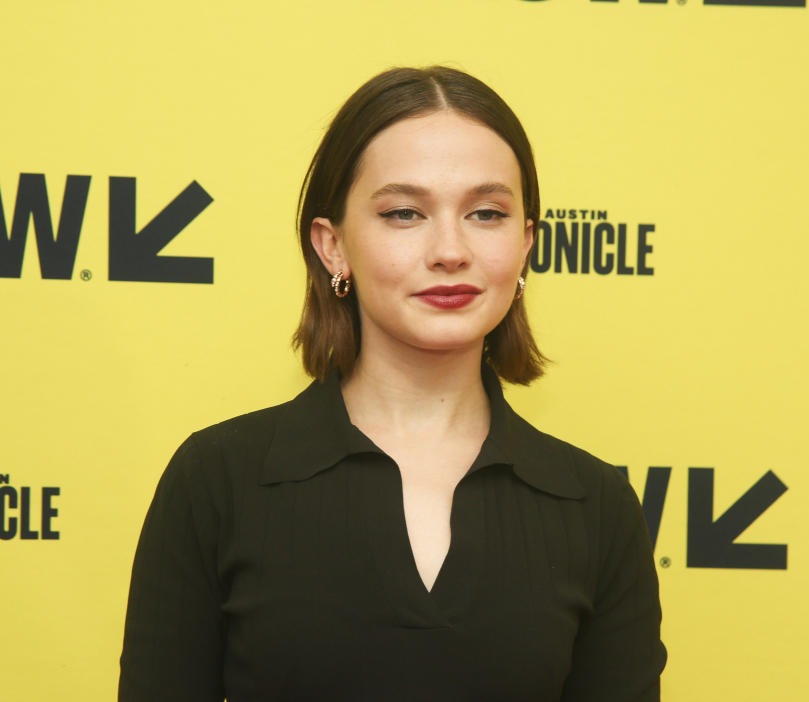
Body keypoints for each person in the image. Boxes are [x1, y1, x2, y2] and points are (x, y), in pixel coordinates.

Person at [118, 65, 667, 701]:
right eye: (405, 212)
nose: (450, 249)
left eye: (486, 213)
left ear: (525, 244)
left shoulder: (594, 507)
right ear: (333, 247)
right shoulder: (215, 481)